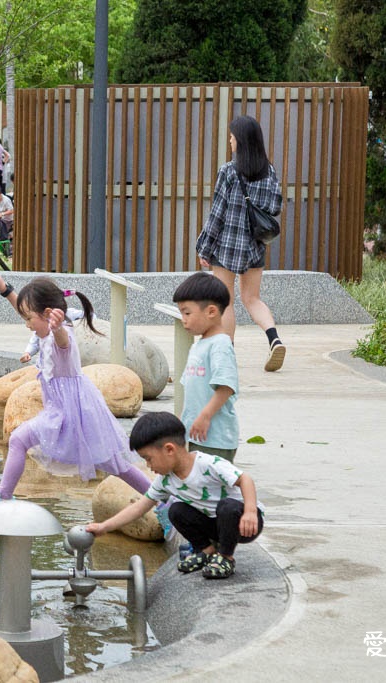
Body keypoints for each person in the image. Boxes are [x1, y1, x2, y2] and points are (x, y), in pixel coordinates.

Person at [0, 275, 151, 515]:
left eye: (29, 319)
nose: (26, 325)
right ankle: (3, 494)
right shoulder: (44, 331)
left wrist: (59, 327)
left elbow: (62, 341)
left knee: (114, 464)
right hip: (60, 411)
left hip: (71, 413)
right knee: (21, 440)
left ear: (48, 314)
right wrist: (6, 291)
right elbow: (31, 313)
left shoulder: (60, 336)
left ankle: (161, 498)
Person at [86, 412, 263, 580]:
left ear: (169, 449)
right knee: (176, 510)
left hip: (242, 523)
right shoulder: (165, 480)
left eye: (149, 458)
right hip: (215, 525)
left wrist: (249, 511)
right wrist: (104, 527)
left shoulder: (208, 464)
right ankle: (206, 552)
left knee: (227, 507)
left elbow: (245, 479)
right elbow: (139, 507)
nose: (148, 465)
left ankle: (226, 558)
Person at [196, 115, 285, 371]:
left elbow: (218, 213)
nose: (230, 142)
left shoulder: (228, 171)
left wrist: (205, 246)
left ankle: (227, 355)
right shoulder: (269, 171)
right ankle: (274, 339)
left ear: (242, 141)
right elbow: (275, 207)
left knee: (227, 301)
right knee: (253, 298)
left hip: (227, 246)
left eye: (232, 138)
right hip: (255, 245)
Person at [173, 271, 240, 462]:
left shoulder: (220, 345)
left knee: (215, 487)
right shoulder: (199, 345)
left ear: (211, 311)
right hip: (197, 433)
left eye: (187, 313)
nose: (183, 318)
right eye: (181, 313)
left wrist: (205, 416)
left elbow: (226, 387)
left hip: (216, 437)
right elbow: (192, 392)